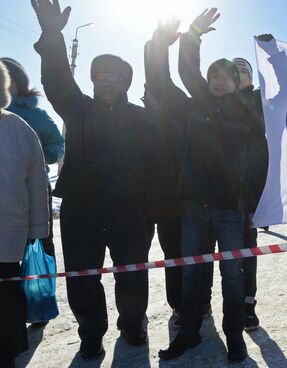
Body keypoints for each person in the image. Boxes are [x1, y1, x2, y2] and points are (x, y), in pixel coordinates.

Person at [31, 0, 157, 359]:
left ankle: (133, 324)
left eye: (116, 78)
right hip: (81, 208)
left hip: (129, 211)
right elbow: (56, 79)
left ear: (125, 84)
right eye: (101, 76)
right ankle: (91, 332)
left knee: (132, 274)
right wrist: (52, 36)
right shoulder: (78, 107)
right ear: (92, 81)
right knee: (83, 276)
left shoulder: (140, 118)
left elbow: (155, 160)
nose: (108, 82)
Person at [145, 14, 255, 362]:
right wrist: (185, 38)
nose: (220, 81)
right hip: (193, 208)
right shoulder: (193, 107)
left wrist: (277, 59)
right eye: (215, 76)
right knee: (191, 271)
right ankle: (189, 332)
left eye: (228, 77)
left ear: (239, 83)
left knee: (232, 275)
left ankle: (234, 336)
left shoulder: (250, 112)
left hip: (230, 209)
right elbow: (165, 79)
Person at [1, 57, 64, 329]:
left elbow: (57, 145)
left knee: (38, 244)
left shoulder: (34, 115)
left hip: (34, 190)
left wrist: (39, 160)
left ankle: (38, 303)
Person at [0, 59, 49, 368]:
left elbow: (36, 182)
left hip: (7, 231)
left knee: (6, 295)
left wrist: (38, 231)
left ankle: (8, 353)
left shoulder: (19, 128)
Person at [232, 56, 269, 332]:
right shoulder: (217, 102)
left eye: (243, 70)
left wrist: (273, 54)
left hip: (249, 191)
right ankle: (209, 306)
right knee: (216, 256)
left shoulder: (260, 99)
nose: (239, 74)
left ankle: (247, 305)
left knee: (247, 250)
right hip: (219, 190)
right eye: (234, 71)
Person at [141, 86, 184, 319]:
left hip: (171, 204)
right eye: (145, 98)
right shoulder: (136, 122)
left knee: (174, 257)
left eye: (151, 97)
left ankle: (177, 304)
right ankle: (136, 313)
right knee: (136, 260)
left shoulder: (174, 125)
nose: (148, 102)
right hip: (142, 203)